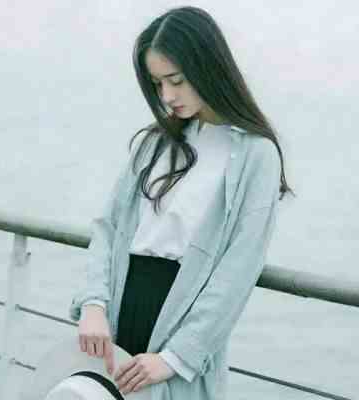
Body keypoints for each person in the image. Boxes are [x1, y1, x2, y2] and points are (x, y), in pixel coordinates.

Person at [69, 5, 294, 400]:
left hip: (180, 323)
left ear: (208, 67)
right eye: (157, 83)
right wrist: (93, 305)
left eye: (176, 80)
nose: (167, 96)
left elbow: (238, 269)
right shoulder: (155, 143)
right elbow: (108, 227)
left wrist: (176, 357)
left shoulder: (256, 155)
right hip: (120, 311)